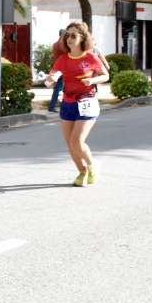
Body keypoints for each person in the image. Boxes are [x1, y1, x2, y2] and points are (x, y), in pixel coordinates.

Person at [46, 21, 110, 187]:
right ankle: (82, 172)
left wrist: (93, 80)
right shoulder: (62, 59)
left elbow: (105, 75)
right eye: (67, 35)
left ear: (82, 38)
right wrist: (50, 79)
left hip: (87, 102)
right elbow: (52, 76)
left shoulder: (90, 57)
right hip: (68, 104)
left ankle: (92, 165)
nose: (69, 39)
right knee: (70, 145)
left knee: (77, 142)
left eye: (73, 35)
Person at [47, 36, 67, 113]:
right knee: (60, 89)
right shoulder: (62, 45)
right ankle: (52, 106)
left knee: (58, 89)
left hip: (56, 67)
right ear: (62, 35)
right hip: (62, 69)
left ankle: (53, 106)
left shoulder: (55, 44)